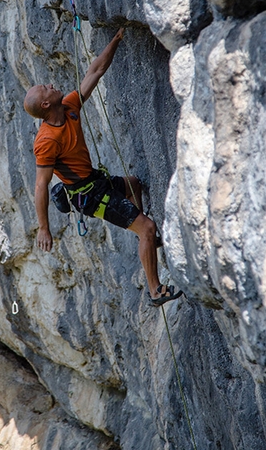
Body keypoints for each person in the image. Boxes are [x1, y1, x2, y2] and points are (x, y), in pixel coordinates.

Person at [23, 28, 182, 307]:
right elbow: (40, 185)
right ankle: (155, 291)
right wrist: (43, 228)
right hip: (90, 196)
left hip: (96, 181)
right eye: (45, 88)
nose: (49, 83)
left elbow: (95, 72)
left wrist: (116, 41)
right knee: (146, 227)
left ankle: (145, 237)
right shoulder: (46, 141)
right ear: (46, 104)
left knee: (133, 183)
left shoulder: (69, 107)